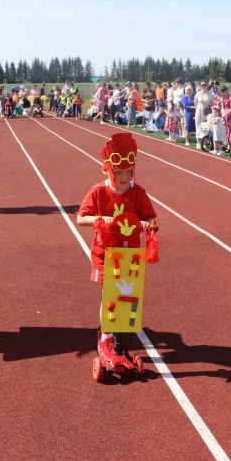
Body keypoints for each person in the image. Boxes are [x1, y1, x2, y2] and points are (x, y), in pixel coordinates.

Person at [76, 132, 157, 362]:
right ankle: (107, 335)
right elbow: (81, 218)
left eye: (128, 172)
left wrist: (149, 226)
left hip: (129, 255)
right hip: (105, 253)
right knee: (109, 293)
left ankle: (119, 335)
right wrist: (101, 219)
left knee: (126, 294)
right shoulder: (98, 192)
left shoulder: (137, 192)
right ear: (107, 170)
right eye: (118, 172)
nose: (123, 178)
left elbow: (150, 218)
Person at [194, 81, 213, 150]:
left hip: (207, 113)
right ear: (200, 86)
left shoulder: (210, 94)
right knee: (198, 126)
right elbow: (195, 102)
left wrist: (208, 109)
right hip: (199, 112)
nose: (203, 86)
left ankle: (204, 143)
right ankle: (198, 142)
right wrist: (199, 108)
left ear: (207, 85)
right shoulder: (198, 94)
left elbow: (211, 103)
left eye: (205, 85)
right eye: (202, 85)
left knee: (206, 126)